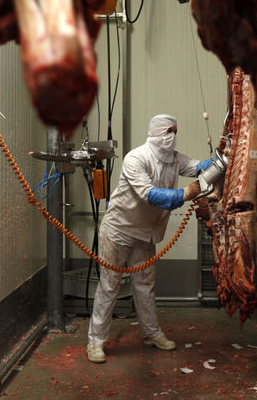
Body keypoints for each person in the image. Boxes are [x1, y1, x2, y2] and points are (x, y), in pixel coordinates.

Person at [86, 114, 214, 363]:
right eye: (168, 131)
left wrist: (225, 159)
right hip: (119, 230)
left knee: (145, 285)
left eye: (175, 131)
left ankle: (151, 333)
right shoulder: (136, 158)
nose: (172, 136)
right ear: (155, 133)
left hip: (145, 233)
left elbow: (200, 166)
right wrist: (185, 193)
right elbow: (148, 194)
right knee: (110, 285)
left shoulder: (175, 159)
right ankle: (95, 342)